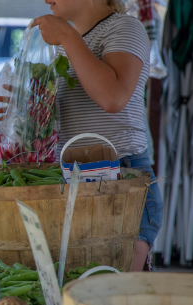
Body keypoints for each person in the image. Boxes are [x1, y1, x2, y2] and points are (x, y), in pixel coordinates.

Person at [31, 0, 159, 271]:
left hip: (121, 180)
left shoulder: (125, 27)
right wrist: (28, 107)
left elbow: (112, 98)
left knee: (115, 297)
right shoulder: (69, 44)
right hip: (75, 180)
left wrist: (66, 35)